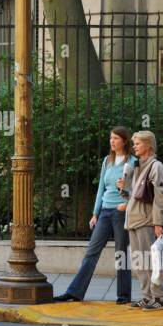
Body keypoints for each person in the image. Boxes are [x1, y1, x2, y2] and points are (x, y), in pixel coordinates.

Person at [53, 126, 136, 303]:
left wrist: (126, 191)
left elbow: (137, 192)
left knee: (122, 254)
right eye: (110, 138)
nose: (112, 141)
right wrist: (95, 213)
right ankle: (75, 292)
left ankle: (124, 295)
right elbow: (101, 189)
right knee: (91, 252)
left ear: (124, 141)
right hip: (105, 211)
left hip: (121, 212)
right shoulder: (107, 160)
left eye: (115, 138)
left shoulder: (133, 162)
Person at [119, 130, 163, 311]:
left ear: (148, 145)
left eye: (138, 144)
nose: (134, 147)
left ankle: (159, 297)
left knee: (149, 261)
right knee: (139, 262)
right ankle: (147, 297)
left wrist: (158, 222)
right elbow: (132, 196)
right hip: (133, 220)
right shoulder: (137, 166)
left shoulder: (156, 167)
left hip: (146, 221)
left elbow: (160, 197)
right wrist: (123, 188)